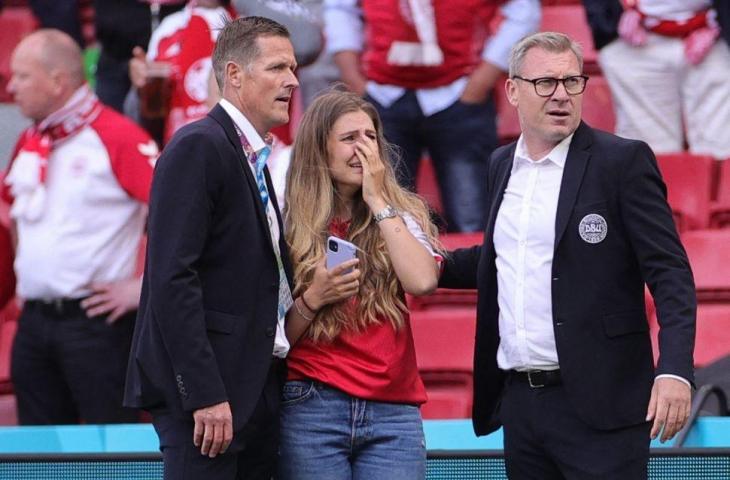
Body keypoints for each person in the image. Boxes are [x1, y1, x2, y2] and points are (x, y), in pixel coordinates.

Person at [439, 32, 696, 479]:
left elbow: (670, 272)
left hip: (605, 404)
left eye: (571, 82)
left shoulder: (623, 161)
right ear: (513, 90)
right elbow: (506, 256)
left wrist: (674, 369)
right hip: (522, 405)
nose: (560, 95)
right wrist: (426, 264)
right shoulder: (501, 164)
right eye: (545, 83)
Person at [124, 16, 298, 480]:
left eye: (294, 68)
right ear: (235, 75)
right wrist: (202, 392)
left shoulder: (247, 153)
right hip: (209, 397)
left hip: (252, 385)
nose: (293, 80)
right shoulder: (199, 146)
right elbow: (170, 277)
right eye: (278, 67)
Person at [277, 90, 442, 480]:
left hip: (392, 410)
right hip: (312, 402)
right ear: (320, 149)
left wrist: (379, 200)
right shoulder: (285, 220)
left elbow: (421, 281)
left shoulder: (401, 213)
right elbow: (273, 338)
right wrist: (314, 298)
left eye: (370, 137)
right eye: (350, 139)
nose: (364, 149)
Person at [2, 29, 156, 425]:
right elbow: (14, 217)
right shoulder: (29, 140)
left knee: (109, 458)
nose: (11, 86)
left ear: (58, 82)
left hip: (96, 325)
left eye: (22, 76)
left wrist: (142, 288)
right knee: (37, 460)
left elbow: (184, 217)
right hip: (34, 325)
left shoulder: (116, 135)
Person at [323, 0, 541, 232]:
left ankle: (471, 270)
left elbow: (523, 8)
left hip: (459, 89)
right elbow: (339, 7)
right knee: (380, 219)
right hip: (382, 92)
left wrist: (482, 78)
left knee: (471, 217)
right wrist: (352, 76)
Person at [595, 0, 730, 159]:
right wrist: (608, 24)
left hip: (716, 34)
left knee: (721, 150)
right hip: (633, 37)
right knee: (647, 157)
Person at [128, 0, 232, 145]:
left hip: (232, 148)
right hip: (178, 147)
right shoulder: (169, 28)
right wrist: (141, 86)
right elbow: (148, 110)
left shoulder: (251, 28)